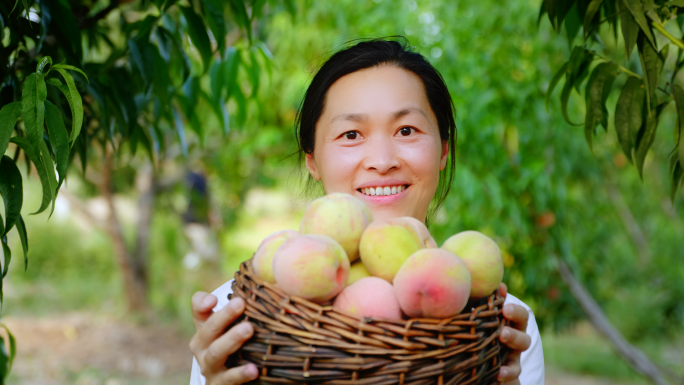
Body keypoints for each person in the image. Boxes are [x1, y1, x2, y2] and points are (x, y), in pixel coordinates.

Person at [189, 37, 544, 385]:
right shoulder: (240, 313)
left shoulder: (500, 325)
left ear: (443, 151)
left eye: (407, 130)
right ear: (312, 160)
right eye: (351, 134)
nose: (382, 161)